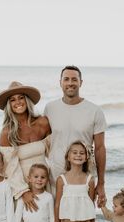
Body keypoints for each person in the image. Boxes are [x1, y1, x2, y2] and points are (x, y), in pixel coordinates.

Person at [0, 81, 54, 222]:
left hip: (43, 181)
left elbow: (54, 151)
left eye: (20, 98)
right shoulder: (7, 131)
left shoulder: (43, 122)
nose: (17, 102)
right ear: (8, 106)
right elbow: (9, 167)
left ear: (27, 101)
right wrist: (24, 192)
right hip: (20, 185)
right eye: (12, 100)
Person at [44, 65, 107, 207]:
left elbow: (100, 148)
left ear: (81, 82)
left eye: (74, 79)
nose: (70, 83)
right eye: (66, 79)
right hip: (56, 175)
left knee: (83, 219)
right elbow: (45, 140)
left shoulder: (94, 111)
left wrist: (101, 183)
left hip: (83, 176)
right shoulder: (50, 108)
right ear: (60, 82)